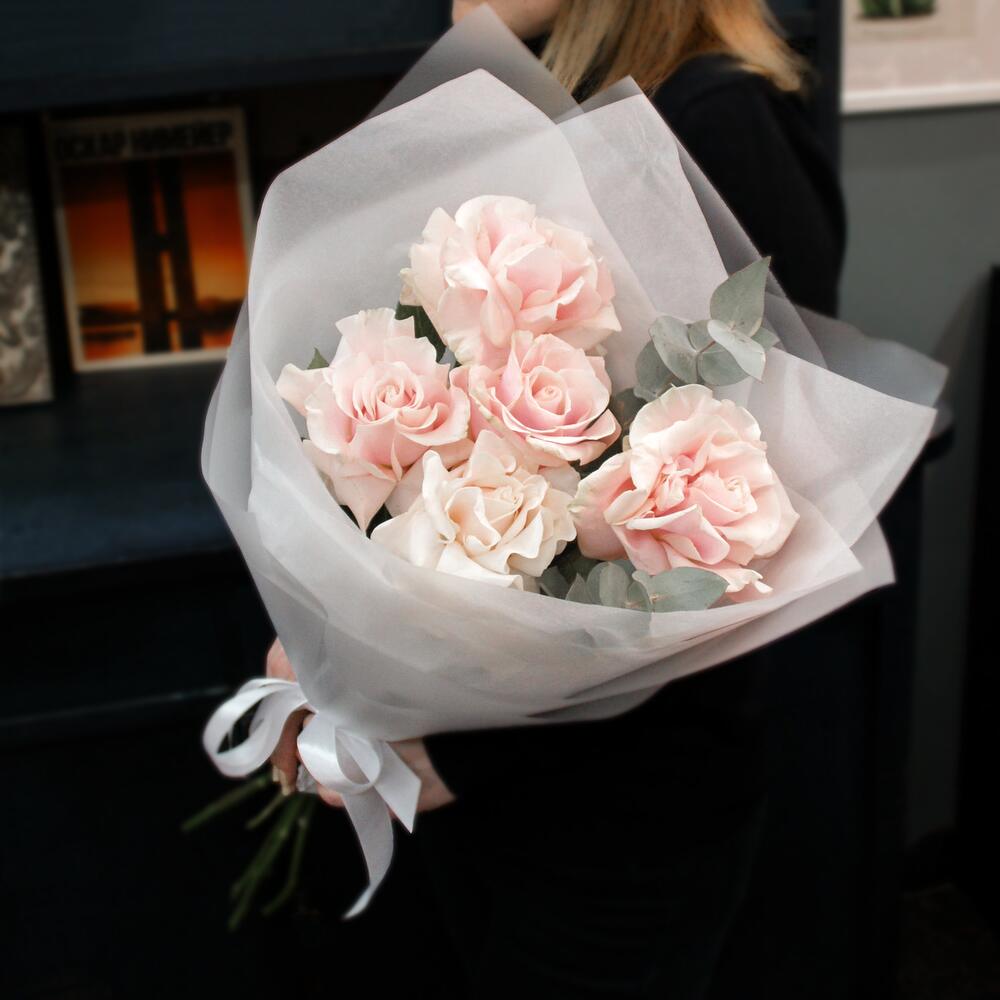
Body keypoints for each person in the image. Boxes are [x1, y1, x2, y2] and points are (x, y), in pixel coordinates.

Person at [268, 1, 845, 996]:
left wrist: (463, 754)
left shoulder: (716, 122)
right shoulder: (545, 99)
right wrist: (337, 638)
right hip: (496, 790)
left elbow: (738, 549)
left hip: (620, 819)